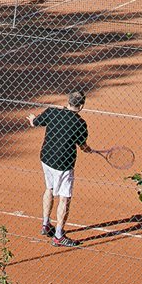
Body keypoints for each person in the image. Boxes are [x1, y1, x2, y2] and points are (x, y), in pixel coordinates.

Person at [26, 90, 96, 247]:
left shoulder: (52, 112)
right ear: (81, 105)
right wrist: (88, 149)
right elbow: (82, 146)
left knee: (49, 188)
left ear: (68, 101)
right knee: (64, 198)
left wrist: (32, 118)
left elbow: (34, 122)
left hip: (46, 158)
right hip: (63, 164)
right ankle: (58, 235)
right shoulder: (80, 123)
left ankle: (45, 224)